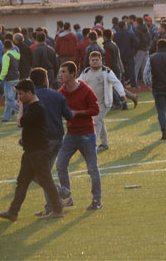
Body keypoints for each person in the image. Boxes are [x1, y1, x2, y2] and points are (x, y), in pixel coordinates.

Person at [0, 79, 65, 221]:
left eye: (20, 94)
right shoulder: (33, 107)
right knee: (22, 181)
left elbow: (20, 122)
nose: (19, 97)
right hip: (31, 151)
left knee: (46, 181)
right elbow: (32, 128)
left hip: (38, 152)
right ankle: (13, 211)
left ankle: (58, 209)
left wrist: (20, 108)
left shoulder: (37, 108)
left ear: (29, 92)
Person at [56, 61, 103, 211]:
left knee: (92, 169)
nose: (61, 75)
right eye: (60, 72)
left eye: (64, 72)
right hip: (71, 134)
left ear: (72, 74)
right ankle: (66, 197)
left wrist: (78, 113)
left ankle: (97, 200)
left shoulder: (85, 89)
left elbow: (95, 110)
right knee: (60, 164)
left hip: (87, 134)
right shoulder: (61, 92)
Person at [29, 68, 74, 217]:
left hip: (41, 141)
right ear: (45, 80)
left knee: (36, 173)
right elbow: (68, 116)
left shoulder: (30, 98)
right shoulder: (57, 95)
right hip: (57, 139)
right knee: (44, 172)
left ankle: (62, 192)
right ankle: (51, 207)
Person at [79, 51, 126, 152]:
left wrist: (122, 94)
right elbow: (78, 82)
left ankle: (91, 145)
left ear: (101, 61)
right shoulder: (86, 72)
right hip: (91, 103)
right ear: (89, 61)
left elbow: (116, 82)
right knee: (99, 121)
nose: (95, 62)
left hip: (104, 103)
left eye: (97, 60)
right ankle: (104, 144)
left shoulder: (106, 71)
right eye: (93, 60)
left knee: (96, 121)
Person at [0, 40, 21, 123]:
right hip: (16, 77)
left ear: (4, 47)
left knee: (9, 100)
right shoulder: (17, 54)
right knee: (9, 98)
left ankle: (23, 111)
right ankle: (6, 117)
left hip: (10, 79)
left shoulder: (6, 55)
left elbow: (4, 69)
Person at [114, 21, 139, 88]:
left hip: (120, 55)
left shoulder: (116, 35)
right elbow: (137, 42)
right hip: (129, 55)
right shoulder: (130, 33)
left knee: (122, 71)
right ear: (124, 26)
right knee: (131, 70)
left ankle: (122, 85)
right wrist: (133, 50)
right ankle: (133, 85)